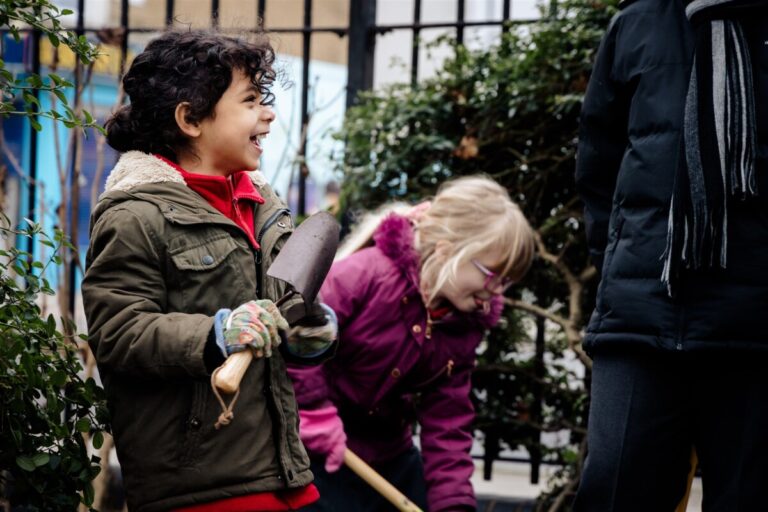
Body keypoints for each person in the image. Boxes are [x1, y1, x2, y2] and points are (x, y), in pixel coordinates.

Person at [82, 30, 337, 512]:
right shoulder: (135, 214)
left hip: (280, 469)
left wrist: (309, 330)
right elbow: (119, 332)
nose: (268, 113)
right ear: (191, 119)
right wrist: (218, 333)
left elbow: (284, 306)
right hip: (197, 483)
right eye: (250, 101)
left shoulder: (264, 205)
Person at [573, 0, 768, 510]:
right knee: (614, 491)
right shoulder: (637, 23)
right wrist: (619, 263)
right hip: (640, 318)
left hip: (754, 329)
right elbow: (597, 167)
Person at [288, 176, 536, 512]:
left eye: (507, 281)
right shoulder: (365, 275)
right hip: (315, 448)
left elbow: (448, 422)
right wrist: (315, 411)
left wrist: (454, 503)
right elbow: (297, 331)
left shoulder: (460, 326)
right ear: (447, 251)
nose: (497, 291)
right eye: (492, 275)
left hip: (388, 456)